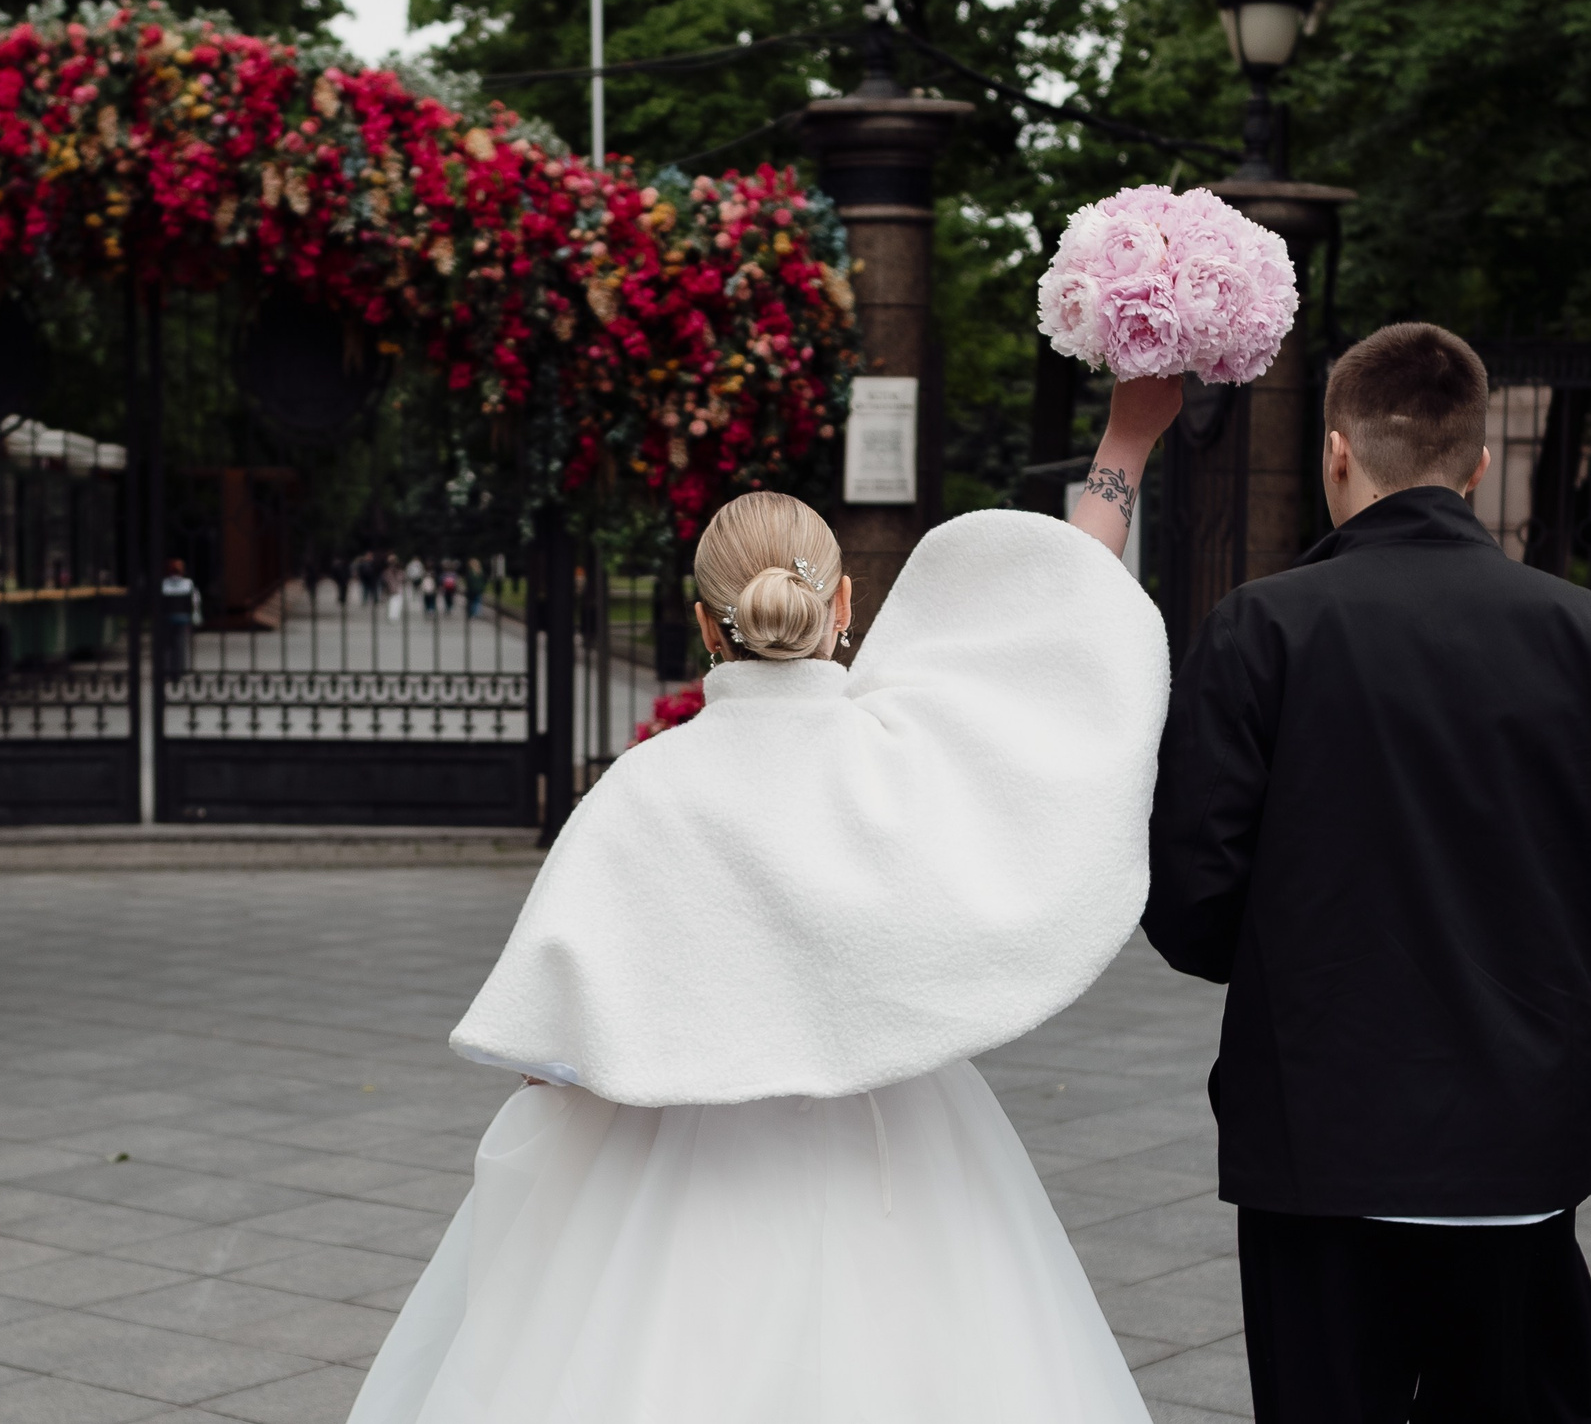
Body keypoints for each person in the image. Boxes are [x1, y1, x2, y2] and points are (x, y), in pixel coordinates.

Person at [347, 379, 1184, 1424]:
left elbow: (547, 1049)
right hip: (904, 1154)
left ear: (705, 622)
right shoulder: (901, 762)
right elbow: (1056, 623)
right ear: (842, 608)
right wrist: (1126, 437)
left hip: (671, 1181)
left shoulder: (643, 794)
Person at [1144, 323, 1591, 1423]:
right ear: (1477, 463)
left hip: (1317, 1142)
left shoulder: (1258, 630)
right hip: (1521, 1141)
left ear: (1334, 452)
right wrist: (1554, 974)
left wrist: (1291, 967)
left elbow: (1188, 904)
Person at [158, 558, 199, 686]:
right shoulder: (188, 583)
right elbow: (194, 602)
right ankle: (179, 670)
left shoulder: (164, 583)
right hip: (182, 618)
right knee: (180, 645)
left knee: (168, 646)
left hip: (167, 618)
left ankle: (167, 670)